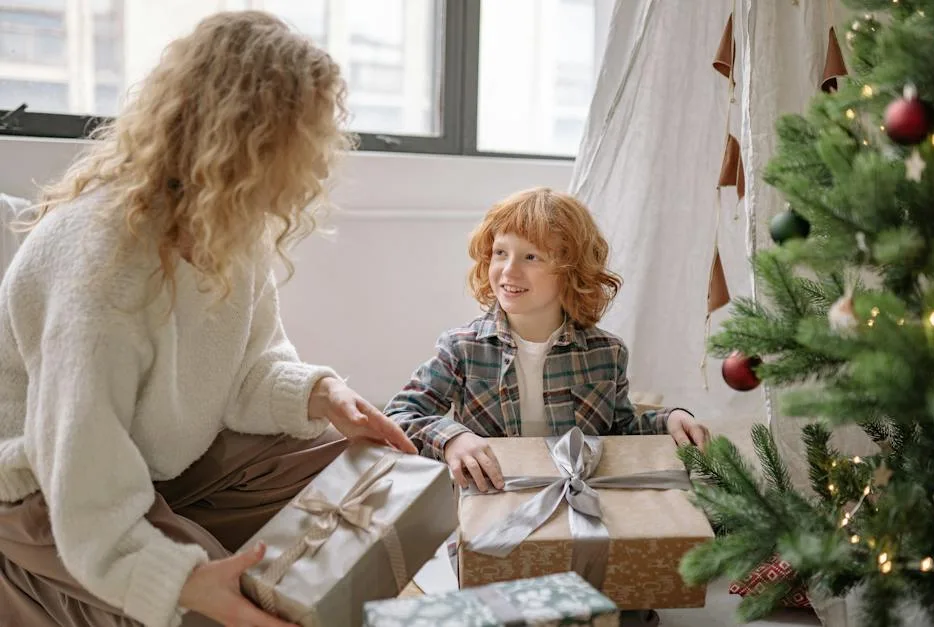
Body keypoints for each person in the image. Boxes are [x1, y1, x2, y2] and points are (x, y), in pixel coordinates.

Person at [0, 11, 416, 627]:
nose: (321, 168)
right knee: (218, 602)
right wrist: (187, 581)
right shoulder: (101, 260)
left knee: (362, 482)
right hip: (46, 479)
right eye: (308, 143)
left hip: (157, 460)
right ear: (246, 137)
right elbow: (83, 466)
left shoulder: (227, 228)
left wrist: (323, 394)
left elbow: (249, 366)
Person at [385, 187, 709, 493]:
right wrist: (451, 438)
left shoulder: (607, 354)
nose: (509, 270)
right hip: (490, 513)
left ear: (571, 270)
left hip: (579, 512)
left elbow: (619, 430)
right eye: (500, 253)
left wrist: (669, 420)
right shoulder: (462, 350)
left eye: (531, 257)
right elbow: (397, 417)